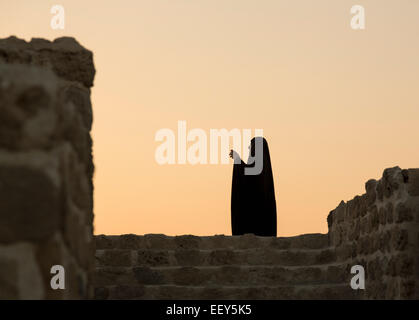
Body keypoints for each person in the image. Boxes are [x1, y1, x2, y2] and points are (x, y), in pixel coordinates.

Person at [229, 137, 277, 236]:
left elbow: (250, 178)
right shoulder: (264, 168)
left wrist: (237, 159)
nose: (249, 148)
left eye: (251, 147)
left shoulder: (261, 167)